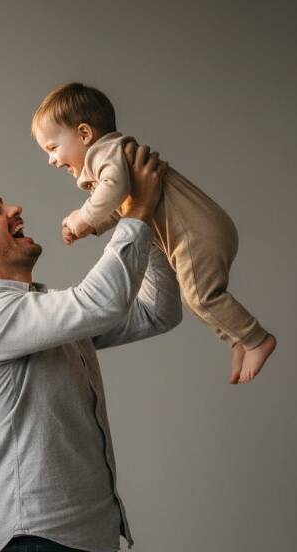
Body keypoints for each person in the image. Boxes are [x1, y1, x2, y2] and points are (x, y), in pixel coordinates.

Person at [0, 144, 181, 552]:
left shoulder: (43, 310)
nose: (15, 209)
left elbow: (158, 312)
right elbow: (100, 303)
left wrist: (143, 225)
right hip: (39, 547)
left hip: (89, 542)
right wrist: (134, 211)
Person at [32, 82, 277, 384]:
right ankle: (237, 338)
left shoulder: (105, 153)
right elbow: (123, 206)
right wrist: (91, 227)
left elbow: (115, 190)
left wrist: (82, 217)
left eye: (53, 148)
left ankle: (256, 338)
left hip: (196, 233)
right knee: (195, 297)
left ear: (84, 134)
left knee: (201, 297)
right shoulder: (114, 160)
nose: (52, 160)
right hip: (196, 231)